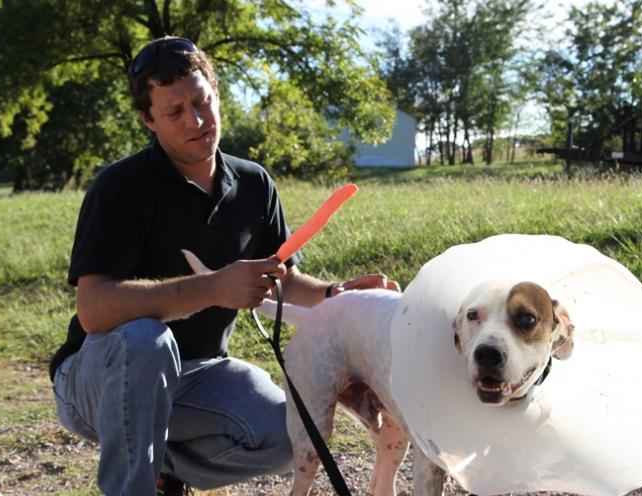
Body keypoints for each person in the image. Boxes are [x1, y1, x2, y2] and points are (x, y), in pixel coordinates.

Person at [47, 36, 399, 496]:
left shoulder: (253, 183)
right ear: (147, 120)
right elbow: (94, 309)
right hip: (99, 379)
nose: (196, 120)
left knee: (284, 435)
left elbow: (281, 278)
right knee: (145, 339)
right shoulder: (119, 187)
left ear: (216, 93)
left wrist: (336, 294)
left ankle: (164, 468)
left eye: (202, 101)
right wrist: (213, 288)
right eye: (174, 112)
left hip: (199, 374)